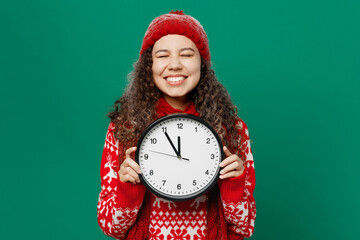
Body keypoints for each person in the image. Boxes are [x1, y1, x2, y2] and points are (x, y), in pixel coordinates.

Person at [97, 10, 256, 239]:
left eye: (186, 54)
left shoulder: (233, 130)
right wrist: (128, 189)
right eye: (162, 55)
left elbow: (244, 227)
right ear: (148, 66)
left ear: (202, 64)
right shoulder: (124, 129)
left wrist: (233, 186)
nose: (174, 65)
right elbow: (112, 227)